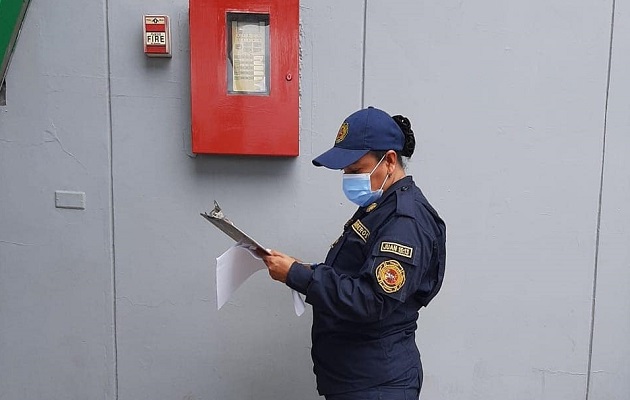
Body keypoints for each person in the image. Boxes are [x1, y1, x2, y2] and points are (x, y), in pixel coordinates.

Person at [262, 106, 446, 400]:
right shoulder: (381, 207)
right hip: (358, 379)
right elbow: (355, 272)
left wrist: (299, 276)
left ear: (388, 161)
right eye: (345, 171)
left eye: (356, 170)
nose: (348, 177)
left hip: (377, 385)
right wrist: (304, 269)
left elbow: (372, 299)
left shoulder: (404, 222)